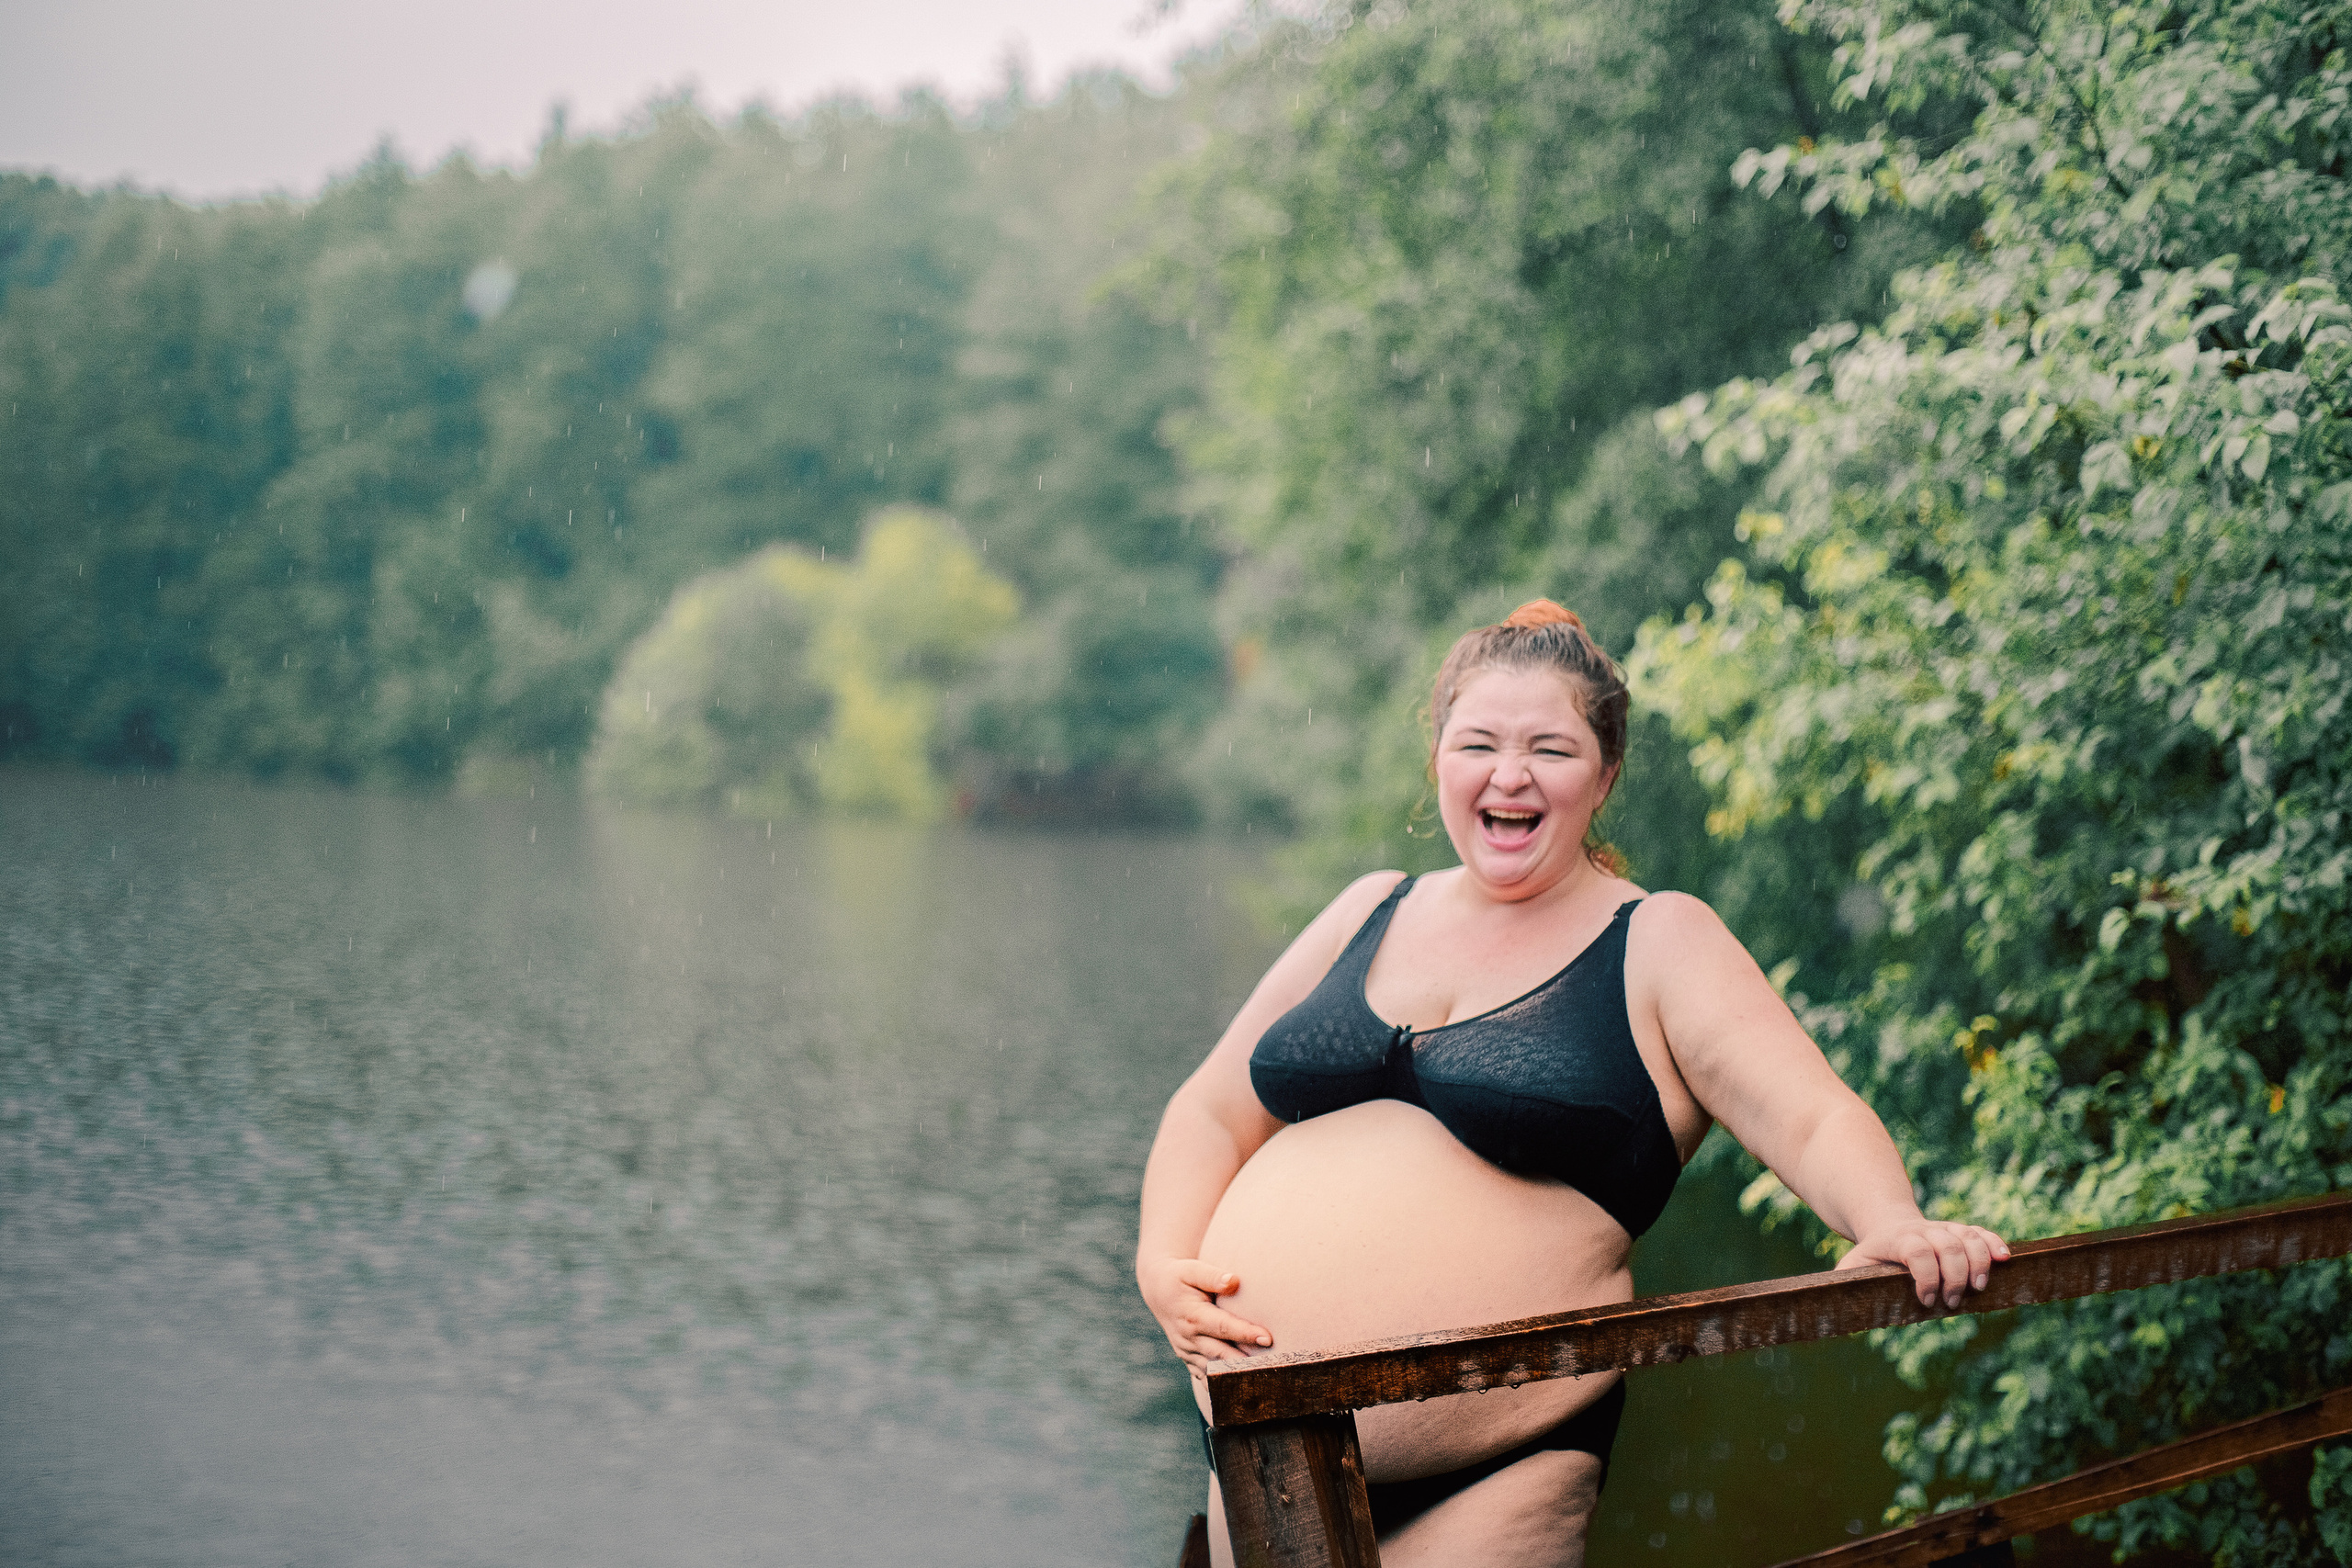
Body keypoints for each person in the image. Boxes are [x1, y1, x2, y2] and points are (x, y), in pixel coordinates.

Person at [1136, 600, 2009, 1568]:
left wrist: (1887, 1217)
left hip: (1496, 1467)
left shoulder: (1658, 940)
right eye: (1479, 743)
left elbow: (1807, 1117)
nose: (1509, 774)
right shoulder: (1367, 908)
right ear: (1439, 763)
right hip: (1260, 1458)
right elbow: (1212, 1110)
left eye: (1548, 748)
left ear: (1604, 776)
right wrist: (1161, 1259)